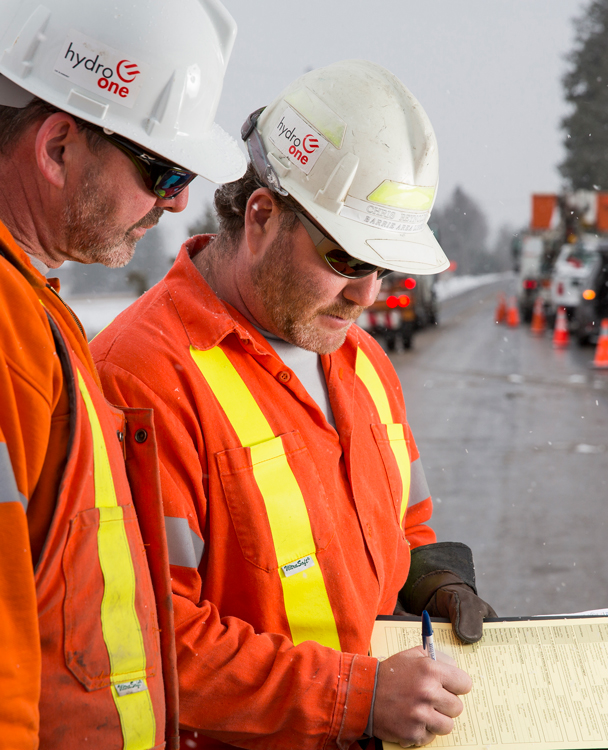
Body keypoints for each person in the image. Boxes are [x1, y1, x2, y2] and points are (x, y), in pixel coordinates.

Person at [92, 60, 496, 750]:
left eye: (383, 267)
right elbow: (141, 643)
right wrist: (357, 695)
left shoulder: (361, 362)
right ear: (260, 216)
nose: (367, 295)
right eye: (345, 259)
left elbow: (404, 525)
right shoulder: (143, 377)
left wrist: (427, 578)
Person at [0, 0, 245, 747]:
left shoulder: (37, 312)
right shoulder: (10, 335)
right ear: (58, 147)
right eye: (162, 170)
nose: (177, 201)